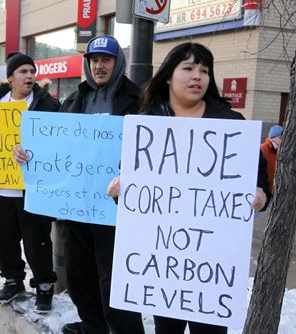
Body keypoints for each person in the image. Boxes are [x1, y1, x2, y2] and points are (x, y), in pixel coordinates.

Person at [108, 42, 271, 334]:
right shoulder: (148, 125)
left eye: (204, 70)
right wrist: (121, 191)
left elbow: (258, 176)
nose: (197, 76)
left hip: (211, 268)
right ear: (169, 76)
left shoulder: (231, 124)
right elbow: (137, 194)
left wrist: (261, 194)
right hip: (165, 267)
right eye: (188, 68)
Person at [14, 35, 145, 333]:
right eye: (94, 60)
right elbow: (57, 148)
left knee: (114, 278)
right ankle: (93, 324)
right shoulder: (74, 100)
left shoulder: (139, 100)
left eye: (106, 60)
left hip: (117, 209)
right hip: (79, 205)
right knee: (79, 273)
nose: (99, 66)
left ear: (118, 63)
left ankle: (125, 330)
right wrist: (26, 152)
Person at [0, 51, 60, 313]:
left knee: (37, 240)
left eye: (32, 71)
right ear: (10, 78)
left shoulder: (48, 105)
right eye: (23, 71)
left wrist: (34, 150)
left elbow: (60, 144)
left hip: (33, 188)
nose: (30, 76)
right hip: (0, 187)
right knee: (4, 238)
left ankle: (45, 286)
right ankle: (13, 281)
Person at [261, 124, 283, 190]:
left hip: (274, 188)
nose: (283, 140)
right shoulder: (262, 149)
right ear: (274, 137)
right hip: (265, 188)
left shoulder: (279, 150)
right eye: (281, 137)